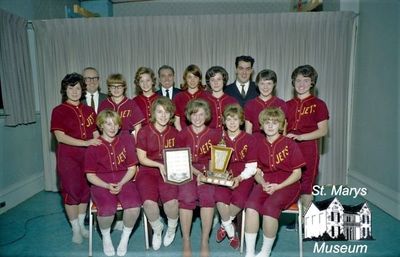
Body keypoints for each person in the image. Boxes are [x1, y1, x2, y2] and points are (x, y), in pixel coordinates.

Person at [244, 107, 305, 257]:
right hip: (267, 182)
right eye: (267, 122)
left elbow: (297, 174)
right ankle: (250, 253)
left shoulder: (290, 144)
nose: (270, 126)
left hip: (288, 184)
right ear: (261, 125)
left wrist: (279, 187)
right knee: (250, 207)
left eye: (275, 122)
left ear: (281, 125)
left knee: (270, 208)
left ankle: (265, 252)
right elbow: (257, 171)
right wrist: (263, 183)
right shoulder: (258, 144)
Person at [50, 72, 101, 244]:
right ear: (65, 90)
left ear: (83, 90)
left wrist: (99, 145)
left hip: (87, 158)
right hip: (68, 159)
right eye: (71, 88)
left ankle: (82, 225)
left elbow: (95, 133)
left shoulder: (88, 110)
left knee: (84, 192)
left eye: (78, 88)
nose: (75, 91)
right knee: (71, 192)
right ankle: (75, 230)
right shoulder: (58, 111)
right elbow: (60, 137)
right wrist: (86, 143)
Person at [85, 110, 141, 256]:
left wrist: (122, 183)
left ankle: (125, 237)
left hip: (125, 180)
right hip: (101, 183)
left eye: (115, 124)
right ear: (101, 125)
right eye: (108, 124)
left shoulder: (125, 141)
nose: (112, 127)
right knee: (107, 209)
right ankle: (106, 236)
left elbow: (132, 168)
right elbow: (90, 175)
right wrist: (106, 185)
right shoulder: (94, 146)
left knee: (134, 207)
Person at [176, 99, 222, 257]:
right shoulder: (182, 134)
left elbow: (215, 160)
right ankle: (186, 240)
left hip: (206, 172)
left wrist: (206, 175)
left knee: (208, 197)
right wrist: (197, 174)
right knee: (187, 197)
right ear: (189, 115)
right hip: (186, 170)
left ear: (207, 115)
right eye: (194, 114)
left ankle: (204, 240)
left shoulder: (215, 134)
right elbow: (179, 159)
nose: (197, 117)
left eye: (201, 114)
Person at [285, 64, 329, 220]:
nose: (301, 84)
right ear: (293, 82)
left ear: (312, 83)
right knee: (289, 181)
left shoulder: (319, 104)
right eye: (297, 80)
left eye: (305, 80)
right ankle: (293, 217)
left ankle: (307, 222)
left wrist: (302, 137)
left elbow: (323, 131)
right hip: (289, 148)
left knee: (307, 183)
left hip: (308, 147)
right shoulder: (287, 104)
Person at [136, 97, 179, 251]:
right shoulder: (144, 131)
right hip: (148, 170)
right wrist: (159, 165)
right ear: (153, 112)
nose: (163, 115)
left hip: (169, 170)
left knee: (172, 203)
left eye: (167, 112)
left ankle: (172, 227)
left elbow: (179, 156)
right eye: (159, 111)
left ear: (171, 114)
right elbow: (141, 158)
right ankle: (157, 228)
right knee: (148, 203)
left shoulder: (175, 133)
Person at [215, 104, 257, 250]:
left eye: (235, 119)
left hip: (244, 175)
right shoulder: (219, 138)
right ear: (224, 122)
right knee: (220, 198)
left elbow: (252, 167)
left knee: (239, 199)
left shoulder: (249, 139)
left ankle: (223, 225)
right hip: (224, 174)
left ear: (241, 121)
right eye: (229, 119)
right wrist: (222, 175)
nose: (232, 122)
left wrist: (239, 178)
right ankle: (230, 230)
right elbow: (216, 163)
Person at [244, 69, 287, 134]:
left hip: (275, 142)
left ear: (274, 84)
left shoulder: (281, 104)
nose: (265, 87)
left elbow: (283, 130)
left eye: (269, 83)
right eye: (262, 83)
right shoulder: (250, 104)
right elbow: (248, 132)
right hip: (256, 141)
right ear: (257, 84)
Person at [173, 64, 207, 131]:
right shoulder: (178, 97)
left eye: (195, 77)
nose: (192, 80)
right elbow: (177, 122)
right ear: (185, 78)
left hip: (203, 134)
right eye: (189, 77)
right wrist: (182, 135)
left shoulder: (207, 96)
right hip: (184, 134)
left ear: (199, 79)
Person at [203, 66, 237, 130]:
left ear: (223, 81)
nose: (216, 83)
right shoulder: (203, 101)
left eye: (219, 79)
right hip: (208, 137)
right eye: (212, 80)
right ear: (209, 82)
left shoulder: (232, 101)